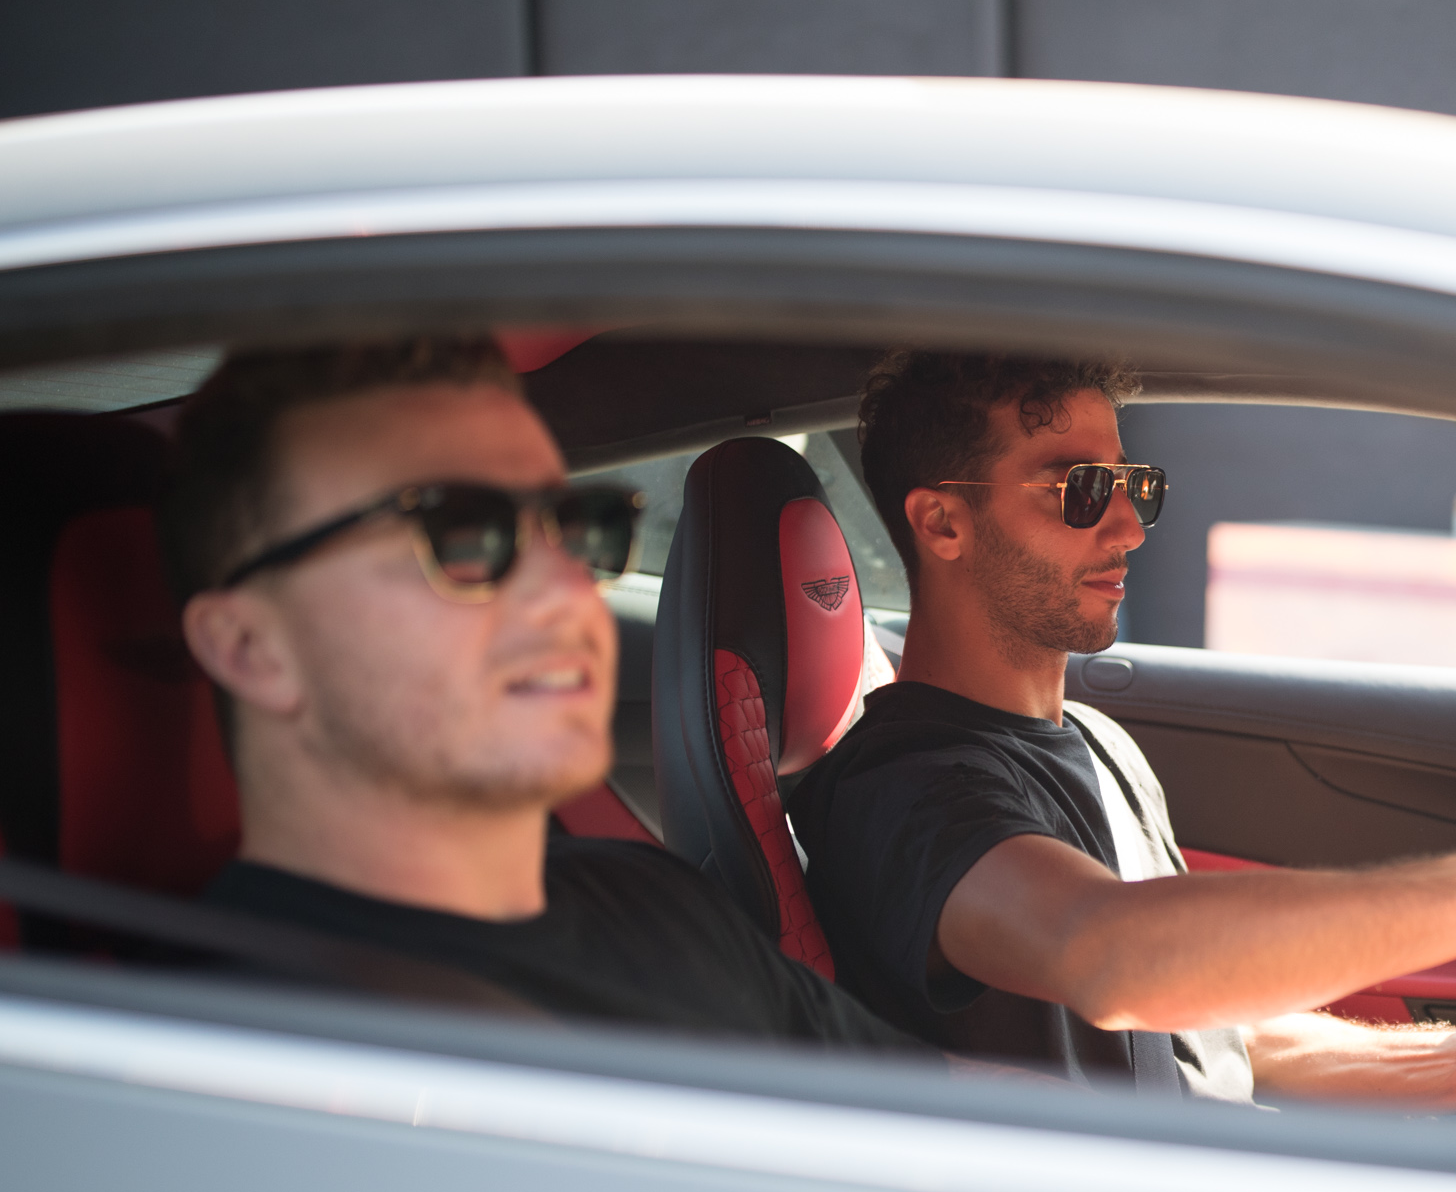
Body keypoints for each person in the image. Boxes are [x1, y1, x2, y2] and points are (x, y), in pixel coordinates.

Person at [788, 352, 1456, 1113]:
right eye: (1080, 490)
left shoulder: (1096, 743)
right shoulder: (905, 789)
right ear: (941, 522)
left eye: (1134, 484)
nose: (1129, 525)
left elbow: (1209, 1026)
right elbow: (1110, 955)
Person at [161, 336, 918, 1053]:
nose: (566, 591)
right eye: (462, 534)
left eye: (573, 528)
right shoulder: (214, 1063)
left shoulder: (659, 904)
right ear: (251, 647)